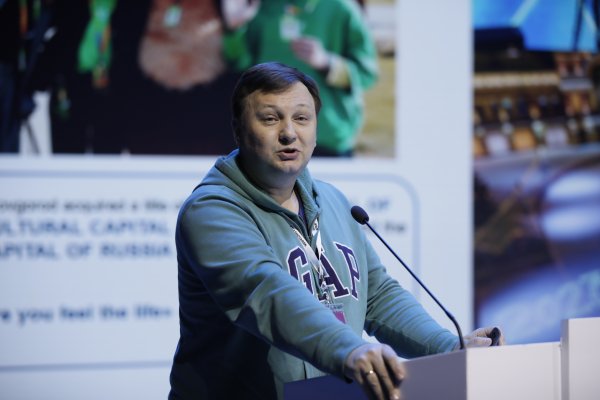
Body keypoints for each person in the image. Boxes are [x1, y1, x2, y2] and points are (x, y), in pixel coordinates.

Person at [168, 62, 504, 400]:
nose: (289, 133)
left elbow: (376, 296)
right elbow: (267, 293)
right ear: (239, 129)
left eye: (302, 118)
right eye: (270, 119)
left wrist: (449, 348)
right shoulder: (211, 211)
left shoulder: (333, 202)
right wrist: (350, 350)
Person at [221, 0, 379, 156]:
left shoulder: (342, 8)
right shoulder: (260, 6)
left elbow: (366, 74)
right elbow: (240, 64)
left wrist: (326, 62)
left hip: (327, 138)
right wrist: (234, 30)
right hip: (269, 138)